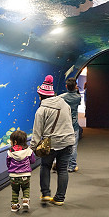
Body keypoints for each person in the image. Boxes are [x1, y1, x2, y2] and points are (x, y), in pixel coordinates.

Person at [30, 75, 75, 206]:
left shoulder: (41, 110)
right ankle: (60, 198)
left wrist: (33, 149)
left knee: (45, 166)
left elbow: (37, 133)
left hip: (51, 144)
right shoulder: (64, 104)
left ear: (41, 96)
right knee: (62, 170)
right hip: (68, 141)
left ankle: (46, 194)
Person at [7, 130, 36, 212]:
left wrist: (11, 168)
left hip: (13, 176)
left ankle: (14, 206)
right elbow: (33, 161)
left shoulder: (10, 152)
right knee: (26, 188)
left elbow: (8, 162)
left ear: (15, 142)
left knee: (15, 190)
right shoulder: (28, 151)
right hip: (25, 175)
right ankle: (25, 200)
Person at [60, 77, 82, 172]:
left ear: (66, 86)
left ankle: (59, 164)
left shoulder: (61, 97)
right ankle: (71, 166)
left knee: (61, 145)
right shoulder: (78, 97)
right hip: (74, 125)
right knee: (73, 146)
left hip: (63, 125)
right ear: (75, 86)